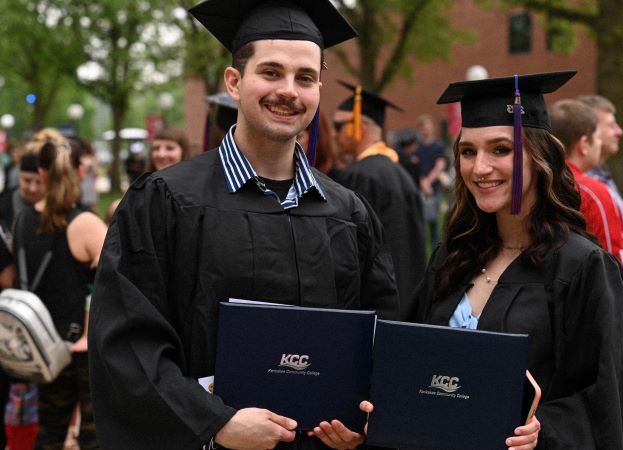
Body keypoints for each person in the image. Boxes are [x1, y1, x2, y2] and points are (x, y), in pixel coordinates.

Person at [88, 1, 399, 449]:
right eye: (271, 73)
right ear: (234, 82)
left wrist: (363, 416)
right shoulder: (164, 201)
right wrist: (214, 422)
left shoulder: (348, 214)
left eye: (305, 78)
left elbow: (380, 338)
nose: (288, 91)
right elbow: (128, 345)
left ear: (319, 89)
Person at [410, 72, 623, 449]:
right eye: (468, 151)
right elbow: (413, 361)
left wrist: (545, 431)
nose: (480, 168)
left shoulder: (581, 268)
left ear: (539, 157)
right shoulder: (453, 257)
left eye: (501, 150)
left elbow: (612, 394)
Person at [0, 139, 107, 449]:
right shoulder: (86, 223)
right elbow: (107, 287)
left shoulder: (23, 220)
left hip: (45, 346)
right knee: (92, 437)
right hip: (83, 349)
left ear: (43, 174)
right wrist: (89, 334)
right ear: (81, 170)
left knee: (48, 434)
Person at [549, 99, 623, 315]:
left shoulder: (536, 183)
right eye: (597, 138)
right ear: (584, 144)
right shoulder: (593, 192)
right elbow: (612, 260)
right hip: (592, 306)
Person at [334, 82, 425, 307]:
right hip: (407, 298)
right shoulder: (401, 174)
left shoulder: (360, 176)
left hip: (376, 304)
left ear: (360, 125)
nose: (335, 134)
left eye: (339, 126)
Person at [415, 113, 448, 248]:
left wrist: (428, 182)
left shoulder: (439, 145)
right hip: (420, 189)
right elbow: (416, 167)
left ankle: (435, 250)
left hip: (434, 190)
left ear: (432, 127)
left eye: (428, 126)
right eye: (423, 127)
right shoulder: (417, 148)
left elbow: (440, 165)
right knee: (420, 223)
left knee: (434, 223)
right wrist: (423, 182)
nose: (426, 129)